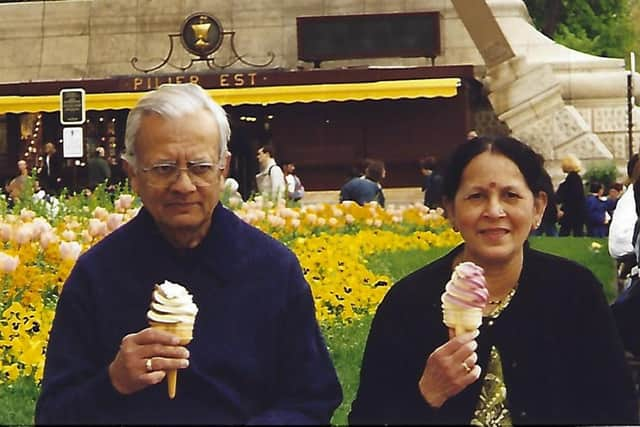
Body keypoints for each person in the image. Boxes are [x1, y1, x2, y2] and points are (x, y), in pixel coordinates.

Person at [35, 83, 342, 424]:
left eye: (199, 167)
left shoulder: (271, 268)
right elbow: (53, 414)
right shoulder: (98, 274)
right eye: (163, 168)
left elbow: (313, 398)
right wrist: (113, 382)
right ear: (133, 175)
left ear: (223, 168)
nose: (183, 186)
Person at [349, 136, 637, 425]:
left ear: (537, 208)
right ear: (450, 209)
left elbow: (617, 408)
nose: (494, 211)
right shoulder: (408, 303)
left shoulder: (574, 291)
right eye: (476, 196)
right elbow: (366, 417)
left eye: (511, 196)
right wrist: (427, 394)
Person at [556, 154, 586, 236]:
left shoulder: (569, 181)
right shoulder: (578, 180)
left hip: (569, 210)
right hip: (579, 210)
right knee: (578, 232)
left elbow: (561, 196)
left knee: (564, 231)